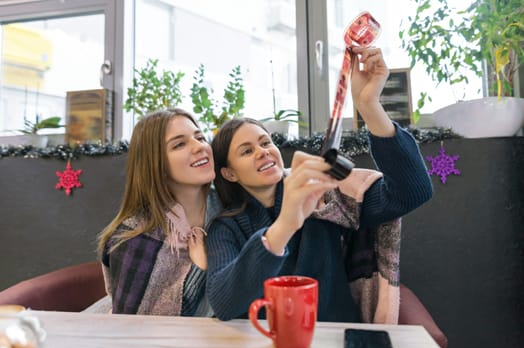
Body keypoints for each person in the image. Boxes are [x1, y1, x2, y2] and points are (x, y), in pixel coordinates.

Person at [206, 46, 433, 324]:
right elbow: (224, 302)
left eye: (266, 142)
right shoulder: (226, 228)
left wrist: (369, 106)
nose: (263, 151)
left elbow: (413, 191)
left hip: (334, 337)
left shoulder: (325, 198)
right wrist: (286, 224)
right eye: (246, 151)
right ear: (229, 174)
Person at [95, 108, 221, 316]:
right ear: (155, 163)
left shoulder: (230, 208)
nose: (199, 146)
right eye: (180, 144)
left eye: (199, 137)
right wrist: (199, 268)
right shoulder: (134, 237)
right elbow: (140, 327)